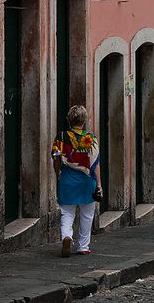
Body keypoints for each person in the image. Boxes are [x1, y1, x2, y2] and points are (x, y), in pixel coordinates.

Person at [51, 105, 102, 257]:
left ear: (69, 119)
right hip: (87, 181)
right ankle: (83, 246)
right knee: (87, 214)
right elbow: (96, 163)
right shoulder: (90, 139)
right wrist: (99, 184)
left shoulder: (61, 137)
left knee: (67, 212)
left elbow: (55, 157)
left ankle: (66, 236)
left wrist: (57, 173)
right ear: (84, 120)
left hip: (67, 179)